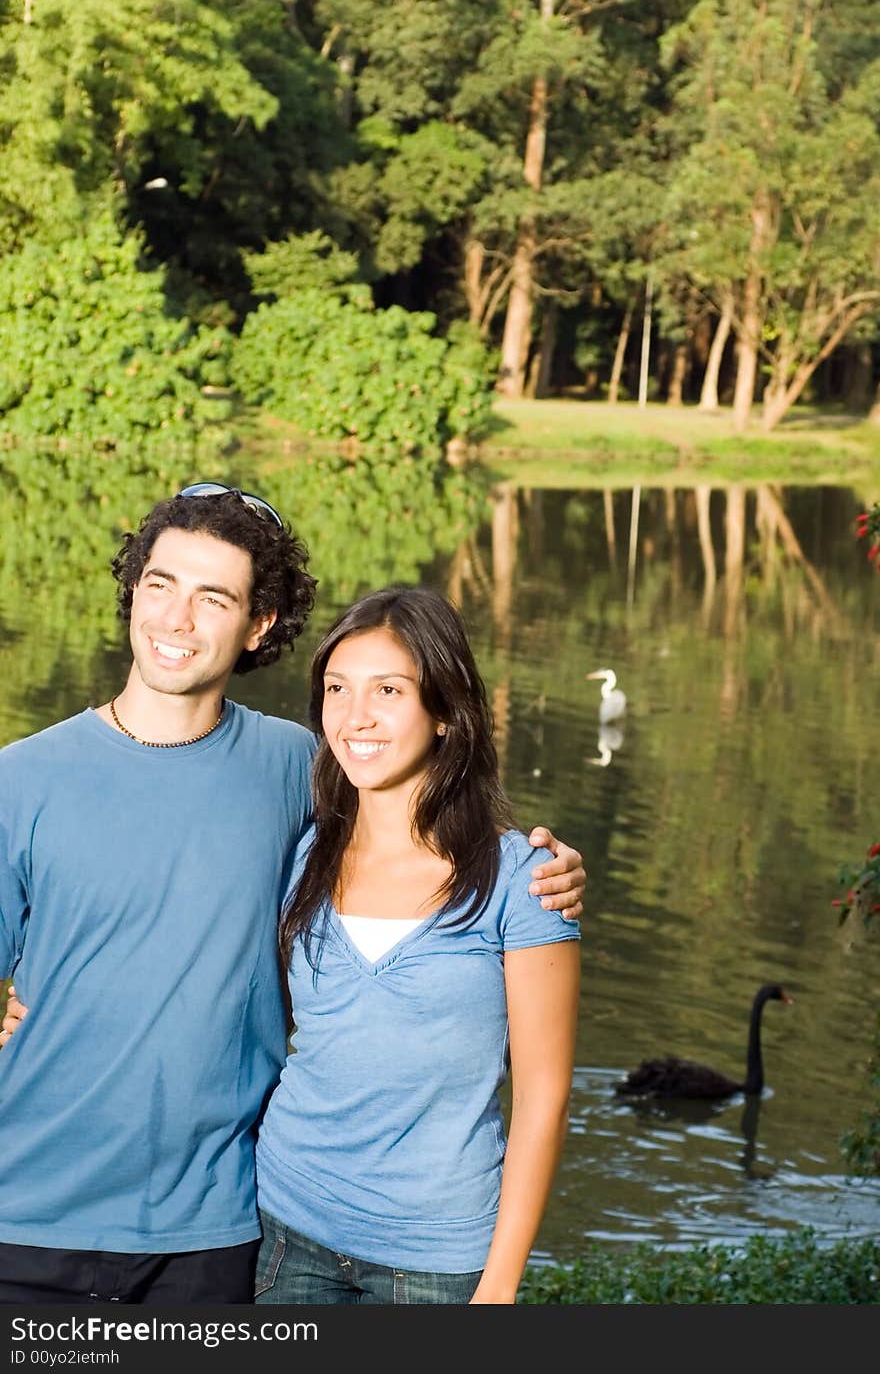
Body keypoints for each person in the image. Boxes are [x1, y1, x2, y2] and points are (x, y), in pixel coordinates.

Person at [0, 483, 585, 1305]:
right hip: (26, 1219)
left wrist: (543, 860)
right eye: (160, 585)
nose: (175, 619)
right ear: (133, 588)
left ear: (260, 623)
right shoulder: (20, 778)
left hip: (219, 1228)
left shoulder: (297, 767)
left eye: (214, 598)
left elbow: (416, 811)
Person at [252, 586, 581, 1305]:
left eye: (388, 689)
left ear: (444, 715)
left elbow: (544, 1097)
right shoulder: (304, 854)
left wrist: (499, 1285)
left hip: (435, 1260)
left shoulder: (523, 880)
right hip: (286, 1227)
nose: (355, 715)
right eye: (337, 688)